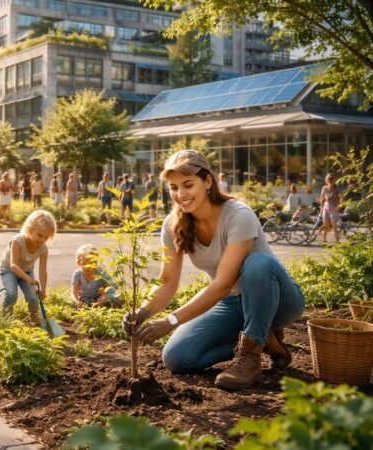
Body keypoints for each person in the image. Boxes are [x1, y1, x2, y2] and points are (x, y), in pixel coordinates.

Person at [122, 149, 304, 390]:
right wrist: (143, 311)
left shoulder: (239, 215)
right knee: (176, 357)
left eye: (188, 185)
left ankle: (250, 357)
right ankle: (261, 338)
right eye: (174, 188)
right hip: (232, 305)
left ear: (208, 181)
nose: (181, 194)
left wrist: (170, 320)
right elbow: (167, 281)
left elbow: (222, 284)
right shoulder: (173, 224)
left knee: (258, 264)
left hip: (277, 299)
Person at [0, 210, 56, 325]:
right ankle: (5, 320)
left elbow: (43, 270)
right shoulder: (17, 241)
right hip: (9, 270)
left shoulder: (43, 248)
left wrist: (43, 289)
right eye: (39, 235)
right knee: (11, 294)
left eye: (46, 237)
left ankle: (34, 319)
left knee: (33, 297)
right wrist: (28, 279)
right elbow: (13, 265)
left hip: (27, 271)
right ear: (30, 229)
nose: (42, 240)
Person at [319, 173, 343, 243]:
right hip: (326, 207)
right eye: (328, 180)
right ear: (326, 180)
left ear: (333, 180)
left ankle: (337, 240)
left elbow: (342, 197)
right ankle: (324, 239)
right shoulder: (324, 188)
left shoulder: (337, 188)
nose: (330, 181)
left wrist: (340, 205)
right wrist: (321, 207)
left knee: (334, 225)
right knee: (325, 224)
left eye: (331, 180)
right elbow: (321, 198)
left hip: (334, 208)